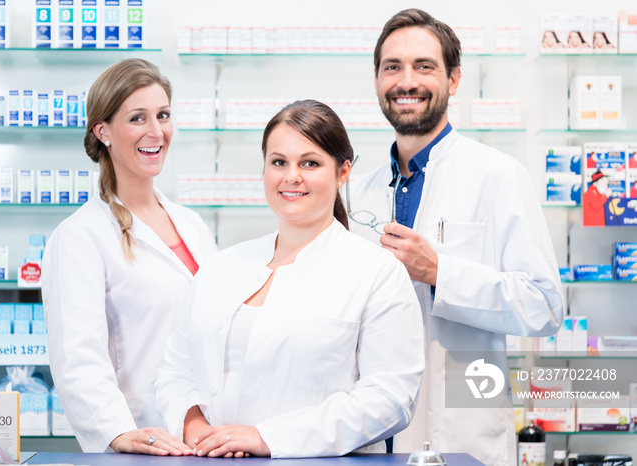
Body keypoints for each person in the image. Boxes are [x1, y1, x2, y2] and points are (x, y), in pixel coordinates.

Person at [347, 9, 563, 465]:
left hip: (461, 434)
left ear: (455, 78)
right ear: (376, 80)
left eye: (424, 66)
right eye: (392, 67)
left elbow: (544, 306)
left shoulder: (498, 176)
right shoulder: (356, 190)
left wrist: (440, 272)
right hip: (365, 436)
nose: (407, 81)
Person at [154, 99, 425, 458]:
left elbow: (390, 399)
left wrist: (268, 438)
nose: (290, 176)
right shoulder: (222, 267)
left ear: (343, 172)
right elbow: (175, 368)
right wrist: (195, 428)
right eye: (278, 162)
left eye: (309, 163)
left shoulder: (375, 271)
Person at [42, 58, 217, 455]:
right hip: (145, 437)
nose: (156, 132)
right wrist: (117, 431)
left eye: (163, 115)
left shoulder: (192, 224)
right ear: (102, 131)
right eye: (138, 118)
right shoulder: (79, 237)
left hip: (207, 436)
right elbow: (77, 355)